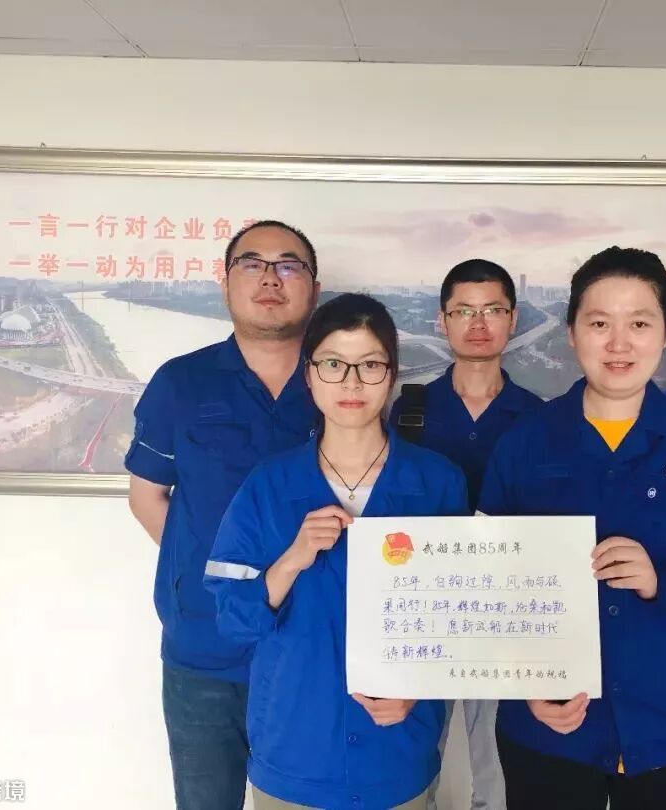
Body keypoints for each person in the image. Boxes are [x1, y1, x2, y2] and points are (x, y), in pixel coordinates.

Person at [477, 246, 666, 810]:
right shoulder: (524, 444)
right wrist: (522, 684)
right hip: (549, 732)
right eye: (599, 324)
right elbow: (484, 587)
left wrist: (663, 579)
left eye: (639, 323)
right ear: (572, 333)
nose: (619, 343)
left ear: (665, 334)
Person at [204, 293, 469, 810]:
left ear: (392, 374)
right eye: (333, 364)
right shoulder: (268, 485)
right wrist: (292, 559)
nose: (351, 383)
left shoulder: (437, 482)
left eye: (369, 365)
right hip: (293, 756)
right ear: (309, 374)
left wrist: (418, 687)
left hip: (395, 755)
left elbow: (460, 618)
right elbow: (232, 621)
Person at [125, 220, 320, 810]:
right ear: (226, 282)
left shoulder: (341, 380)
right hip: (204, 646)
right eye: (252, 264)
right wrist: (210, 571)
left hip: (312, 647)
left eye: (289, 265)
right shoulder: (181, 382)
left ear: (313, 287)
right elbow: (147, 497)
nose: (270, 278)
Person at [391, 259, 541, 810]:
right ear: (442, 320)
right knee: (409, 764)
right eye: (463, 311)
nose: (478, 323)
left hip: (503, 615)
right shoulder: (409, 412)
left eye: (493, 310)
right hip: (422, 612)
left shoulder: (539, 419)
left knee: (499, 769)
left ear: (513, 319)